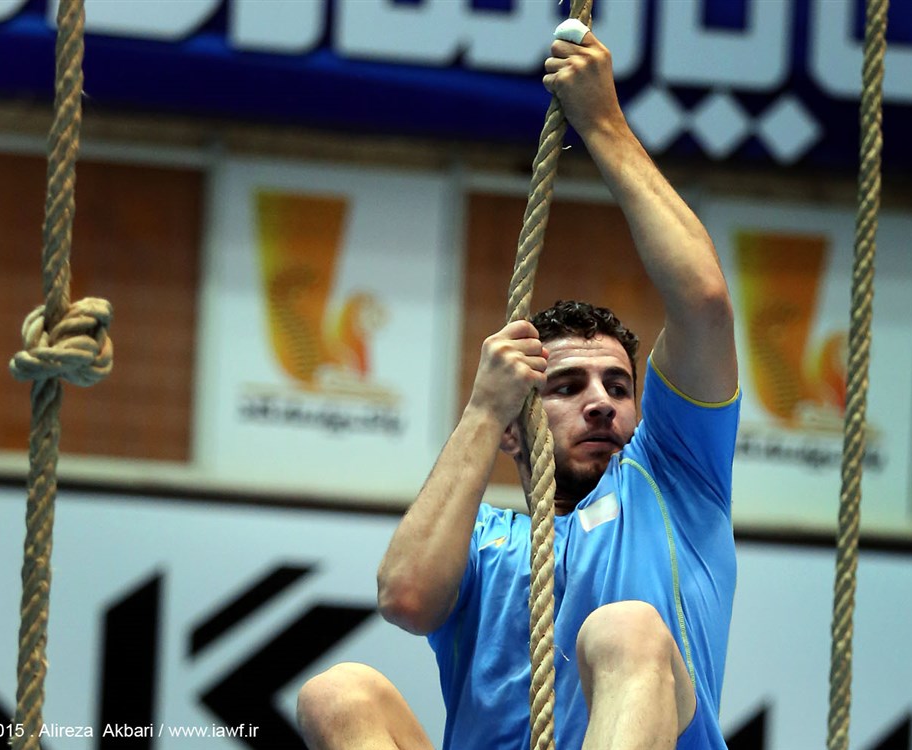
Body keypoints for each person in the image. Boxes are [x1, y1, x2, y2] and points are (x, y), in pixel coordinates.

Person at [296, 26, 740, 750]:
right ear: (515, 428)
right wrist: (483, 407)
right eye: (566, 386)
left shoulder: (672, 478)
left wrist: (603, 123)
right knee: (337, 694)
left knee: (625, 629)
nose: (601, 400)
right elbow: (405, 596)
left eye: (618, 385)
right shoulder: (482, 543)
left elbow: (705, 302)